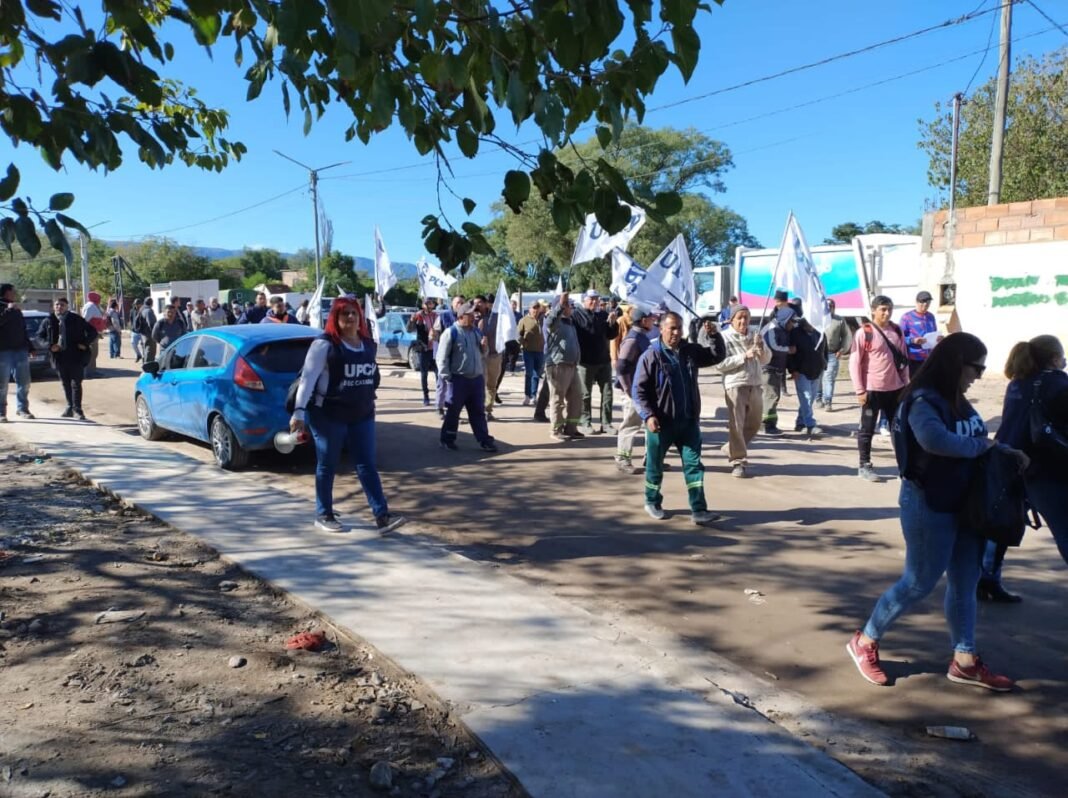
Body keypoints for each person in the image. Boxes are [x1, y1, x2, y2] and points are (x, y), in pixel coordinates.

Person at [846, 332, 1028, 692]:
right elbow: (935, 441)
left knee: (965, 581)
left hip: (965, 503)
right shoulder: (922, 399)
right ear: (955, 363)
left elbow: (975, 439)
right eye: (976, 368)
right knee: (919, 581)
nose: (979, 375)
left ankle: (965, 660)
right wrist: (984, 447)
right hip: (929, 503)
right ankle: (865, 641)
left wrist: (1002, 452)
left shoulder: (956, 398)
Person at [289, 297, 403, 534]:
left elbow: (372, 378)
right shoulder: (324, 345)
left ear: (360, 317)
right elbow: (308, 380)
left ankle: (382, 516)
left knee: (367, 465)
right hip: (329, 415)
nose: (350, 317)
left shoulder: (367, 344)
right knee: (327, 465)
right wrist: (298, 412)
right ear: (335, 318)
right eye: (344, 313)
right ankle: (323, 514)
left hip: (362, 414)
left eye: (354, 313)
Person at [978, 334, 1068, 602]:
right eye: (1063, 356)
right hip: (1044, 468)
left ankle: (987, 579)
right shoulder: (1058, 384)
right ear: (1054, 359)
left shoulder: (1017, 382)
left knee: (1001, 522)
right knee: (1064, 528)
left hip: (1007, 459)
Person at [633, 312, 725, 524]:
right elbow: (638, 391)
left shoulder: (690, 351)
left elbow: (716, 356)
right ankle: (652, 501)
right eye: (672, 328)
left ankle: (699, 510)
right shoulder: (651, 356)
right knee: (655, 466)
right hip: (660, 424)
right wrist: (648, 416)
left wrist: (714, 336)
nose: (676, 332)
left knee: (694, 466)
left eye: (679, 328)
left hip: (688, 422)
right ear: (661, 329)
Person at [849, 295, 908, 482]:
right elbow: (854, 363)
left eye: (889, 309)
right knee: (867, 429)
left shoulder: (897, 331)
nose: (887, 313)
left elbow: (904, 359)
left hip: (895, 389)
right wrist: (860, 390)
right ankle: (864, 465)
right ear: (873, 310)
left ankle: (904, 467)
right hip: (872, 390)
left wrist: (906, 384)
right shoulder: (864, 332)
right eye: (883, 309)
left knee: (898, 430)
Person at [711, 305, 770, 478]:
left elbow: (766, 359)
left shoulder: (755, 334)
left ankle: (730, 448)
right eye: (740, 318)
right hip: (735, 385)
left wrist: (761, 347)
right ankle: (738, 461)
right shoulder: (724, 337)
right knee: (737, 424)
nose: (744, 321)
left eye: (746, 317)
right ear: (731, 320)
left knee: (755, 423)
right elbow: (719, 364)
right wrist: (744, 356)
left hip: (755, 383)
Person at [436, 301, 497, 452]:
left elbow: (483, 354)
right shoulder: (451, 333)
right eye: (470, 315)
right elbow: (441, 358)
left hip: (476, 379)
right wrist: (448, 377)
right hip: (458, 380)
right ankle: (448, 439)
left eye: (474, 314)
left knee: (478, 412)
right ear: (461, 316)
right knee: (453, 412)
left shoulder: (476, 332)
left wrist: (485, 347)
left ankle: (484, 440)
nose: (474, 317)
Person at [36, 297, 97, 420]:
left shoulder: (76, 319)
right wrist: (49, 346)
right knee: (65, 383)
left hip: (76, 356)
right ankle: (70, 406)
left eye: (62, 305)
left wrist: (85, 343)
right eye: (57, 305)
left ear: (67, 306)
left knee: (76, 383)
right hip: (59, 357)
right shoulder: (49, 320)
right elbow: (39, 337)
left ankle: (77, 410)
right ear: (54, 307)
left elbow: (92, 331)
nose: (59, 307)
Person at [572, 289, 619, 434]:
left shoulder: (603, 315)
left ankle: (606, 423)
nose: (594, 302)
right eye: (591, 299)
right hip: (585, 361)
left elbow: (611, 335)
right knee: (585, 394)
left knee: (607, 394)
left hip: (603, 360)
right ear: (584, 300)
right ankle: (585, 422)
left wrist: (613, 324)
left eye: (596, 299)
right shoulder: (576, 315)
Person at [614, 307, 654, 473]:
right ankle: (623, 459)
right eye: (651, 318)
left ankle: (651, 459)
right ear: (643, 321)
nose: (653, 321)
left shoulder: (642, 337)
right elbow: (621, 366)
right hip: (634, 392)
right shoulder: (633, 339)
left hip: (643, 390)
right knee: (631, 424)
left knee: (650, 425)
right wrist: (629, 389)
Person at [543, 292, 586, 442]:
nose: (571, 307)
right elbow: (550, 321)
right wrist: (561, 305)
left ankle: (571, 428)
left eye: (571, 305)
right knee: (558, 399)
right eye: (569, 305)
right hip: (558, 365)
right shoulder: (553, 322)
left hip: (572, 365)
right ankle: (556, 430)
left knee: (576, 397)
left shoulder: (569, 322)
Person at [786, 307, 825, 437]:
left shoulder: (819, 333)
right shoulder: (795, 333)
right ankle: (810, 424)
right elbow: (790, 355)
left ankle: (800, 422)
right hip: (801, 371)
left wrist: (824, 364)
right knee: (806, 398)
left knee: (809, 399)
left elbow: (824, 349)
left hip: (816, 370)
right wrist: (793, 370)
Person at [0, 283, 34, 421]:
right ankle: (1, 412)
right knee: (2, 384)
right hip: (3, 351)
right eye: (13, 291)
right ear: (6, 292)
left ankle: (22, 409)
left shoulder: (16, 309)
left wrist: (30, 346)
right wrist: (8, 310)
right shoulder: (6, 308)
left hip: (20, 350)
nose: (15, 294)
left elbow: (22, 329)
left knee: (24, 382)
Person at [759, 306, 794, 436]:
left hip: (776, 368)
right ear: (785, 319)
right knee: (770, 396)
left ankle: (770, 423)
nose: (793, 324)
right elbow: (772, 347)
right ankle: (766, 425)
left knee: (773, 396)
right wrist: (788, 350)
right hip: (768, 368)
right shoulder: (772, 329)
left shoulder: (781, 328)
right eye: (792, 321)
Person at [815, 298, 852, 411]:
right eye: (826, 306)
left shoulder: (839, 320)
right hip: (818, 354)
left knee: (829, 378)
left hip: (832, 354)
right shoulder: (817, 319)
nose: (828, 308)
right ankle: (818, 398)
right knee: (818, 377)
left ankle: (828, 401)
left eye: (830, 306)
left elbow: (846, 336)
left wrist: (842, 350)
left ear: (834, 308)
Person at [899, 291, 941, 379]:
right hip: (914, 359)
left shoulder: (931, 316)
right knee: (916, 384)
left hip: (929, 358)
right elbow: (899, 338)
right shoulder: (907, 317)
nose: (925, 304)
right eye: (922, 301)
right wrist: (912, 340)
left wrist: (938, 338)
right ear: (916, 302)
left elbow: (934, 333)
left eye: (928, 302)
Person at [406, 299, 439, 407]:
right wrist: (412, 320)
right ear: (423, 305)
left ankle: (439, 396)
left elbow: (440, 329)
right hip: (423, 348)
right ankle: (426, 396)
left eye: (431, 303)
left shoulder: (436, 316)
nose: (429, 305)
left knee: (438, 373)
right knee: (424, 374)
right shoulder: (418, 315)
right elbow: (409, 329)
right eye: (427, 303)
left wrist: (436, 333)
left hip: (435, 348)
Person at [516, 301, 545, 407]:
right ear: (529, 309)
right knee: (529, 373)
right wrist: (524, 343)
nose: (535, 310)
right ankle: (527, 396)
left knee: (537, 374)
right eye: (534, 307)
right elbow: (518, 335)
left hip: (540, 351)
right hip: (528, 351)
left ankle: (534, 396)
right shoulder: (524, 320)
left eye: (537, 307)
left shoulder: (542, 319)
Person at [80, 291, 106, 375]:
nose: (100, 300)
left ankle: (92, 371)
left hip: (95, 333)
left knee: (94, 353)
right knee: (92, 353)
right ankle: (90, 372)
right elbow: (85, 320)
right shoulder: (90, 306)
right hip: (91, 333)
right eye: (99, 298)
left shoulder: (93, 306)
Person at [139, 298, 158, 362]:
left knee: (145, 349)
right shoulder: (148, 311)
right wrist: (155, 334)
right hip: (149, 334)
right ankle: (148, 364)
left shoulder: (142, 309)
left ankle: (145, 363)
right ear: (152, 303)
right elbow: (151, 324)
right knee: (150, 350)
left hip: (143, 334)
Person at [129, 298, 145, 363]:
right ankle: (138, 355)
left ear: (141, 304)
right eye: (135, 304)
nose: (136, 305)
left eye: (138, 304)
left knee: (143, 345)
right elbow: (131, 319)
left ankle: (144, 357)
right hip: (134, 331)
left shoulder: (144, 311)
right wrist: (131, 327)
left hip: (142, 331)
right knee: (133, 343)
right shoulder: (132, 311)